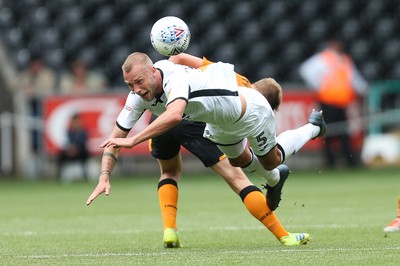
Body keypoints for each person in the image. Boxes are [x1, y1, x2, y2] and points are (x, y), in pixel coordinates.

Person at [87, 52, 327, 247]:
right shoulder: (142, 91)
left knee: (270, 161)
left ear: (152, 72)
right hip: (218, 127)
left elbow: (173, 115)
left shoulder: (175, 78)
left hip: (249, 113)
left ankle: (313, 128)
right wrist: (104, 175)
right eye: (130, 84)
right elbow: (114, 138)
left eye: (138, 82)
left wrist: (134, 140)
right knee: (240, 163)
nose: (136, 89)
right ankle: (275, 179)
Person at [299, 39, 368, 168]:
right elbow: (305, 70)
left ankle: (348, 161)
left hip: (341, 103)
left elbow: (353, 78)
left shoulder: (344, 59)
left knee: (343, 132)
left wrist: (363, 89)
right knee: (328, 132)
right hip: (328, 102)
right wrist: (320, 86)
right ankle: (330, 162)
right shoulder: (323, 58)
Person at [57, 113, 89, 180]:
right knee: (61, 155)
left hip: (80, 151)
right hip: (70, 151)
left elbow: (83, 143)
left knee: (85, 154)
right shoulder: (69, 132)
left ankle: (85, 176)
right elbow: (67, 142)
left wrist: (76, 148)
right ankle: (58, 177)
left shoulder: (84, 132)